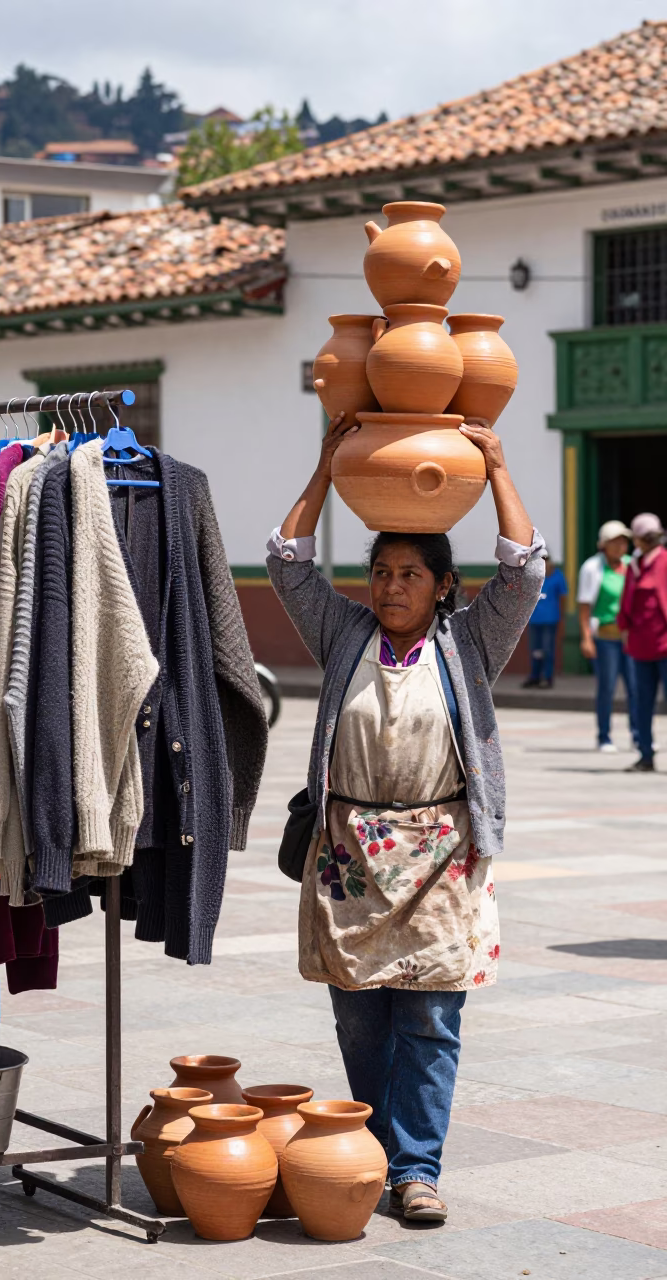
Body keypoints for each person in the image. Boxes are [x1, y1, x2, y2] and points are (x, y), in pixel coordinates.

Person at [267, 413, 544, 1224]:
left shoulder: (470, 644)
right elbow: (288, 565)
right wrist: (325, 467)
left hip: (440, 859)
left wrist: (495, 464)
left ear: (441, 586)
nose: (391, 587)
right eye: (382, 572)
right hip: (350, 856)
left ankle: (417, 1169)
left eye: (410, 575)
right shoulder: (343, 633)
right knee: (360, 1019)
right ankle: (377, 1157)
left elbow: (524, 572)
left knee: (428, 1016)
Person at [577, 520, 637, 753]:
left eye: (624, 541)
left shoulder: (632, 565)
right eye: (615, 541)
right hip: (605, 637)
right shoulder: (592, 567)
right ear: (604, 544)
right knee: (607, 688)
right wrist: (586, 638)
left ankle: (638, 735)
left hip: (631, 638)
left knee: (636, 688)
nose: (621, 546)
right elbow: (584, 607)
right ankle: (604, 736)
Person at [618, 513, 667, 772]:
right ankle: (645, 755)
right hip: (641, 647)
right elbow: (627, 603)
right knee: (642, 703)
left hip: (664, 645)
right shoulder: (636, 565)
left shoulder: (664, 561)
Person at [522, 553, 567, 689]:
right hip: (534, 619)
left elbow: (563, 597)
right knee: (535, 650)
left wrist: (562, 617)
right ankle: (535, 676)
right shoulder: (534, 577)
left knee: (548, 649)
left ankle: (547, 677)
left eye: (546, 561)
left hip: (550, 620)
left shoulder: (558, 576)